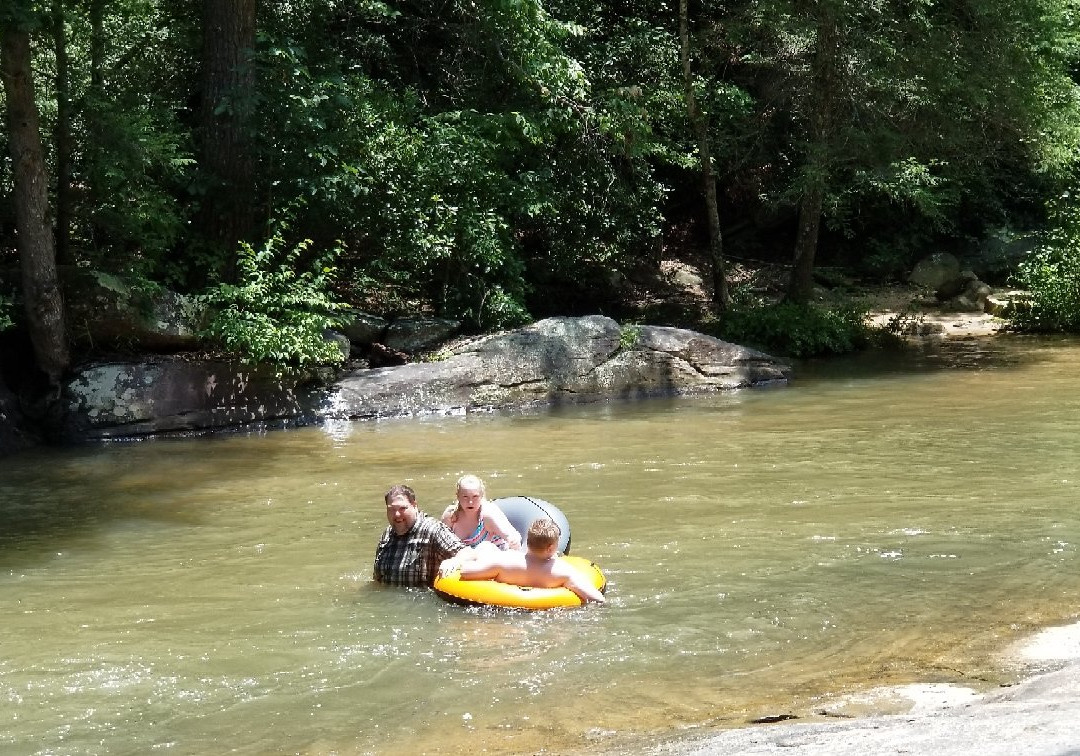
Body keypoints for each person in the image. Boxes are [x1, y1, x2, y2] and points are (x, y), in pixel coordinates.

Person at [458, 518, 605, 604]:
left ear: (528, 541)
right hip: (548, 615)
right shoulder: (562, 571)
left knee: (486, 547)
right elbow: (597, 599)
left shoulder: (504, 561)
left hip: (503, 613)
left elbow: (465, 572)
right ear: (551, 547)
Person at [373, 484, 473, 587]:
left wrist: (454, 562)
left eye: (402, 508)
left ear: (414, 505)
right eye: (391, 509)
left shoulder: (432, 530)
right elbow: (377, 580)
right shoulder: (387, 535)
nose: (397, 514)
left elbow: (467, 554)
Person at [441, 474, 522, 551]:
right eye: (465, 497)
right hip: (464, 560)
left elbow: (512, 537)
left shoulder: (488, 515)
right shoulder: (451, 516)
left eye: (475, 496)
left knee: (485, 547)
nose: (470, 502)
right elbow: (439, 543)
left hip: (493, 558)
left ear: (481, 495)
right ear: (457, 496)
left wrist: (513, 541)